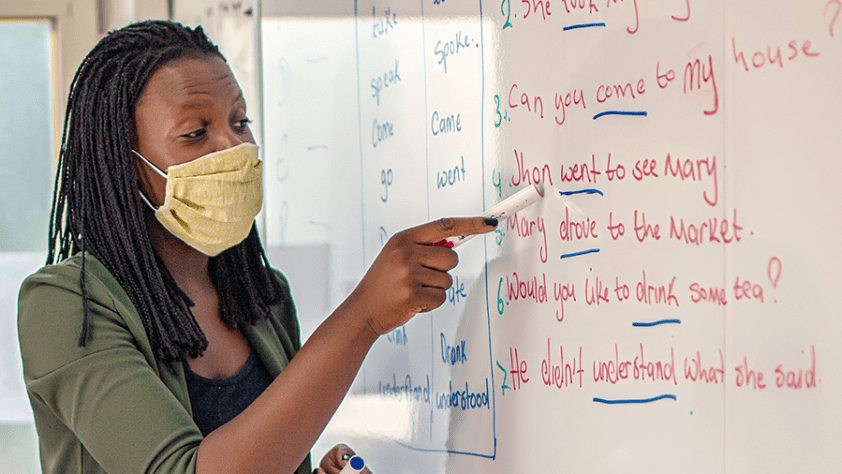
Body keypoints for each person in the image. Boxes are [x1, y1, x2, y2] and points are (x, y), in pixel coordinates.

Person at [17, 20, 497, 474]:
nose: (234, 147)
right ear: (122, 161)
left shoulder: (261, 297)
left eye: (240, 123)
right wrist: (362, 317)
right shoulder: (64, 304)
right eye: (195, 133)